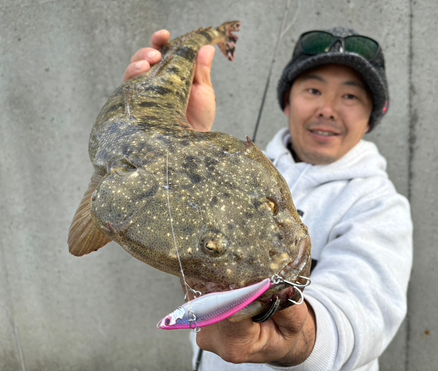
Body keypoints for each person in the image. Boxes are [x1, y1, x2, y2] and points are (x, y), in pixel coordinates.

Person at [124, 26, 413, 371]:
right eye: (313, 89)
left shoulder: (379, 205)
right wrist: (180, 147)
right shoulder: (238, 170)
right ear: (288, 103)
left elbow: (362, 314)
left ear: (371, 117)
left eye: (350, 97)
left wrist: (296, 339)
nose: (328, 108)